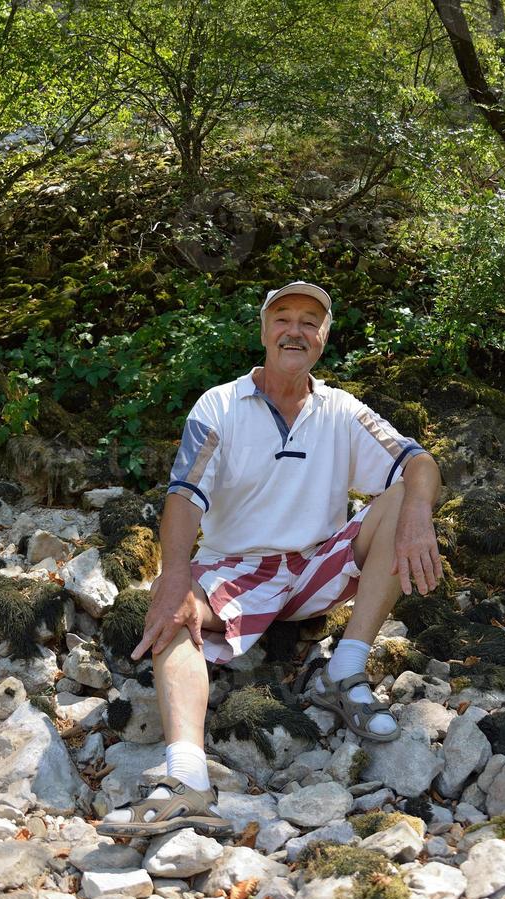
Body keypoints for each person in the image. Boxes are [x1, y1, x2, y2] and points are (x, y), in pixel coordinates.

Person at [97, 280, 443, 838]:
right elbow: (184, 494)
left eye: (311, 320)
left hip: (315, 566)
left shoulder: (341, 411)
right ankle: (186, 776)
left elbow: (418, 462)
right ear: (264, 331)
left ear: (324, 338)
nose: (296, 330)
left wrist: (418, 510)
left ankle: (345, 669)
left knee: (405, 495)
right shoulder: (220, 405)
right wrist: (175, 573)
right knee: (174, 618)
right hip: (235, 569)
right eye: (284, 318)